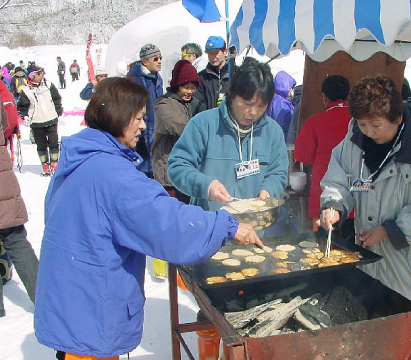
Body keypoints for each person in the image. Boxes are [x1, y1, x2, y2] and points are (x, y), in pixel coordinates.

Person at [34, 77, 263, 360]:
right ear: (117, 116)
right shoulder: (114, 176)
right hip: (92, 308)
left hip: (72, 299)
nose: (144, 126)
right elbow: (167, 223)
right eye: (139, 118)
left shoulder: (80, 157)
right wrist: (226, 224)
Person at [318, 74, 411, 308]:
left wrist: (388, 230)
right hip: (371, 257)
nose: (369, 132)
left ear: (398, 117)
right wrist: (334, 205)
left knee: (408, 320)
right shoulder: (355, 139)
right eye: (362, 124)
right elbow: (338, 177)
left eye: (376, 125)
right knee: (374, 315)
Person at [168, 58, 288, 213]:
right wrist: (207, 186)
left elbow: (277, 173)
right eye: (248, 103)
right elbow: (178, 167)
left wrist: (269, 191)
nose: (253, 112)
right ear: (232, 96)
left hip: (253, 228)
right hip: (210, 224)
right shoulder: (203, 124)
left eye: (261, 106)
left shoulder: (273, 132)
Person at [151, 60, 202, 279]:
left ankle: (182, 261)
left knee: (184, 217)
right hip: (167, 170)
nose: (189, 91)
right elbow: (183, 127)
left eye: (193, 87)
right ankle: (162, 265)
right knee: (168, 220)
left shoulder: (189, 103)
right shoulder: (164, 105)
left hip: (185, 169)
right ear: (176, 85)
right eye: (185, 87)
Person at [294, 75, 353, 234]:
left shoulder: (315, 122)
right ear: (348, 95)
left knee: (322, 248)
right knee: (353, 249)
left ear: (324, 97)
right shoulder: (358, 121)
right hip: (355, 195)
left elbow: (302, 156)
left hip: (324, 193)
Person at [0, 104, 39, 318]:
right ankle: (44, 298)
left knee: (16, 240)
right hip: (3, 179)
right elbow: (8, 123)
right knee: (16, 241)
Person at [127, 43, 164, 178]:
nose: (159, 61)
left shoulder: (157, 77)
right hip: (142, 135)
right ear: (144, 61)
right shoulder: (135, 80)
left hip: (156, 131)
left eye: (160, 58)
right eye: (155, 58)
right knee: (143, 173)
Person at [17, 67, 63, 176]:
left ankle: (54, 164)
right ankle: (45, 165)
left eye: (42, 74)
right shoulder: (26, 90)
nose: (41, 76)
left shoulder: (48, 86)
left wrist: (59, 112)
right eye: (38, 74)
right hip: (36, 122)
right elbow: (22, 106)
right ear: (32, 76)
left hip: (51, 118)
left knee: (53, 142)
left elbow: (57, 99)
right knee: (41, 144)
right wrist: (26, 116)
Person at [195, 35, 231, 111]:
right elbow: (199, 103)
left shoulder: (236, 73)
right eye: (209, 53)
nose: (213, 57)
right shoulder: (202, 77)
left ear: (225, 52)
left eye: (216, 53)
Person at [266, 71, 296, 137]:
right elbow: (286, 123)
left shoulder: (272, 98)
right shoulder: (282, 104)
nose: (291, 90)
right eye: (291, 87)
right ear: (285, 86)